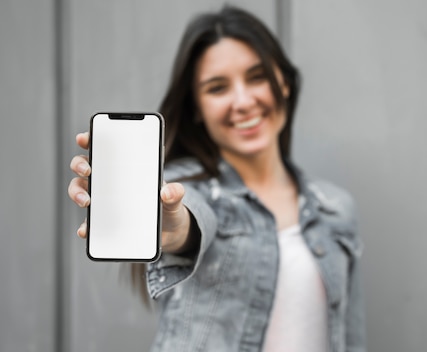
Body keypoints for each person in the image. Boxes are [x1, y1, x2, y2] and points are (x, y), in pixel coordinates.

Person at [67, 5, 365, 352]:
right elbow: (190, 218)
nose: (242, 101)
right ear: (196, 107)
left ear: (283, 82)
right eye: (217, 88)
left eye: (257, 77)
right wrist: (173, 226)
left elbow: (350, 338)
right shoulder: (185, 189)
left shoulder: (337, 208)